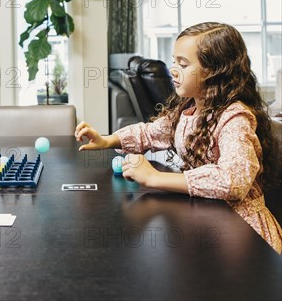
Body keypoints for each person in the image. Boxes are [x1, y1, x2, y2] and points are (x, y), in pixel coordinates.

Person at [75, 22, 282, 253]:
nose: (173, 70)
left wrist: (154, 178)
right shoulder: (191, 108)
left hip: (243, 234)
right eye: (174, 61)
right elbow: (150, 132)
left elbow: (233, 181)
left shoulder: (235, 118)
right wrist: (107, 140)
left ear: (214, 71)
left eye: (183, 64)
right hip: (210, 221)